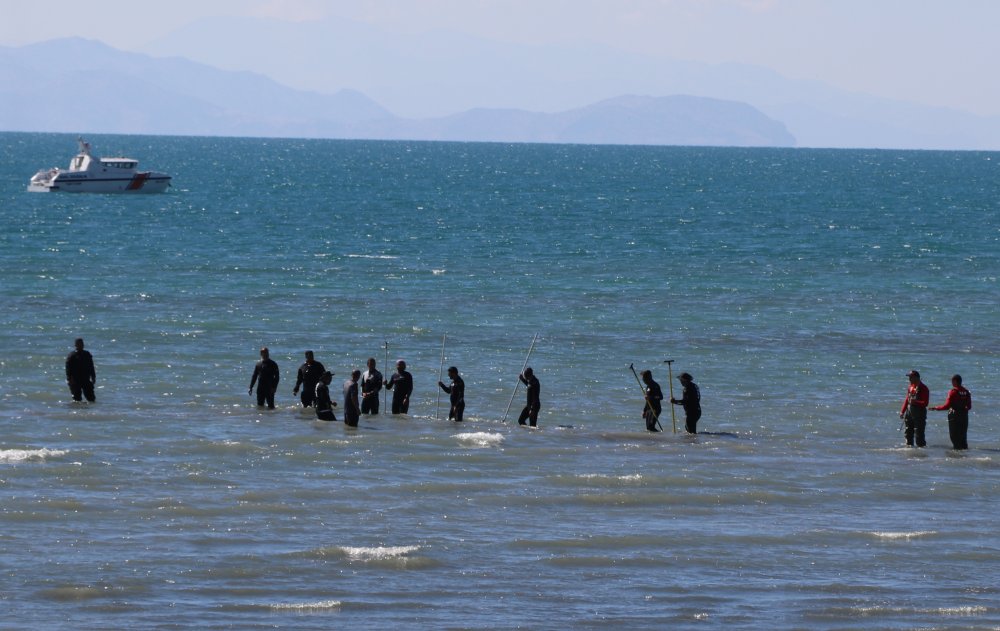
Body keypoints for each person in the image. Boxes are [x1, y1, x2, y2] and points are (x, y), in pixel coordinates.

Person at [932, 374, 972, 450]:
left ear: (955, 381)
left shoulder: (953, 392)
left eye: (952, 381)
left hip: (954, 416)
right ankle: (965, 454)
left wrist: (936, 408)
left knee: (954, 437)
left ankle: (957, 455)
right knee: (963, 437)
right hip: (964, 416)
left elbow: (946, 406)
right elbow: (969, 407)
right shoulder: (966, 392)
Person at [900, 370, 929, 447]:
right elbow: (907, 400)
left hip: (919, 414)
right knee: (908, 433)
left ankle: (921, 452)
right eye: (909, 377)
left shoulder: (923, 388)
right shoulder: (910, 387)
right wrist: (902, 411)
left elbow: (925, 403)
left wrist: (915, 402)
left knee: (919, 434)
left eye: (911, 377)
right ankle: (910, 450)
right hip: (909, 413)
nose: (909, 379)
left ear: (916, 378)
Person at [65, 338, 96, 402]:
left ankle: (91, 411)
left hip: (86, 379)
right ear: (75, 345)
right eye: (79, 344)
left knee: (91, 399)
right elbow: (68, 368)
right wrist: (69, 379)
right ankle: (78, 411)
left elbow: (91, 366)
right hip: (75, 380)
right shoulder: (72, 356)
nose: (81, 345)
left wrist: (93, 377)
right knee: (77, 399)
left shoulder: (87, 354)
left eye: (82, 344)